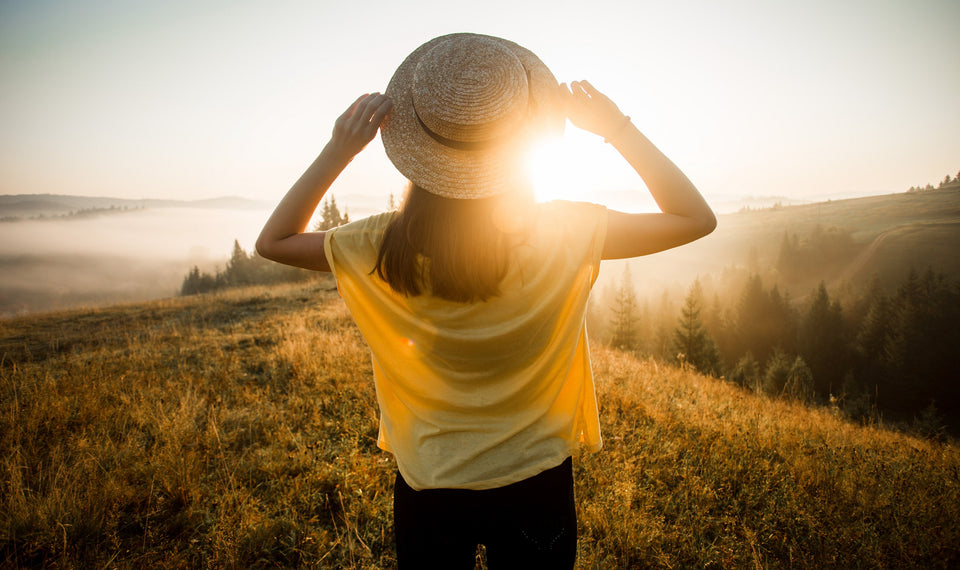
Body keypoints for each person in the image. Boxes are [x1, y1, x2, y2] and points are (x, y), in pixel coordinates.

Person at [257, 33, 715, 569]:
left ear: (418, 145)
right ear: (523, 135)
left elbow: (275, 241)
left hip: (431, 482)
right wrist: (616, 129)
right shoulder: (566, 232)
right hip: (535, 479)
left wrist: (340, 147)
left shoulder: (379, 245)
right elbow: (694, 218)